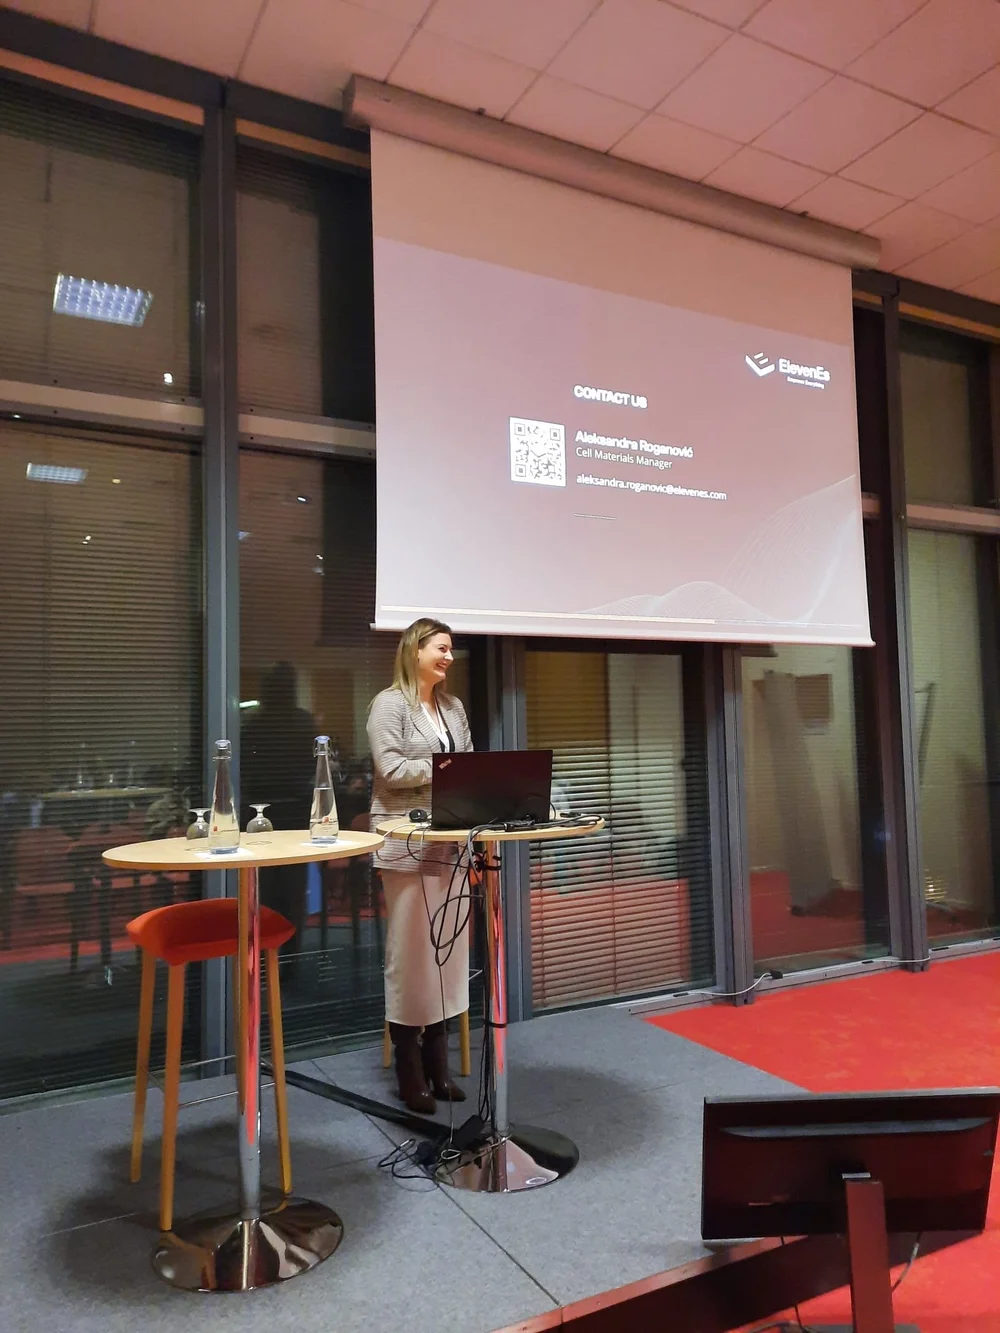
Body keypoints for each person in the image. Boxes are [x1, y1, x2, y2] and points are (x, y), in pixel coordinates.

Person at [367, 618, 472, 1114]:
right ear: (415, 650)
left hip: (451, 842)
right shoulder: (390, 704)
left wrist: (457, 774)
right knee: (411, 956)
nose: (449, 657)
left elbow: (470, 768)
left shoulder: (453, 707)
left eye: (451, 649)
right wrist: (445, 770)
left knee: (448, 955)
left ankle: (438, 1061)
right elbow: (389, 769)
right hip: (405, 844)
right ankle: (408, 1067)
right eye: (441, 648)